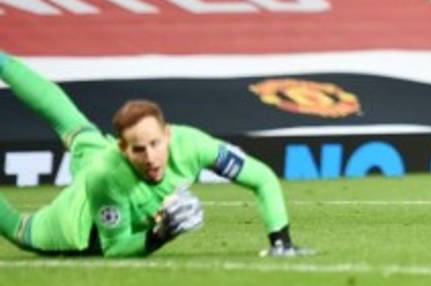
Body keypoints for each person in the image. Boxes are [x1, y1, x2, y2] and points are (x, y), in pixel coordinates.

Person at [0, 52, 311, 257]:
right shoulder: (106, 177)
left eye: (156, 144)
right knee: (18, 229)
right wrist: (159, 236)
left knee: (73, 123)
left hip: (102, 153)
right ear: (123, 148)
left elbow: (262, 178)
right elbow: (114, 249)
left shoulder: (192, 145)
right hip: (81, 224)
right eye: (139, 149)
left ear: (168, 135)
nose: (151, 157)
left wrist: (280, 241)